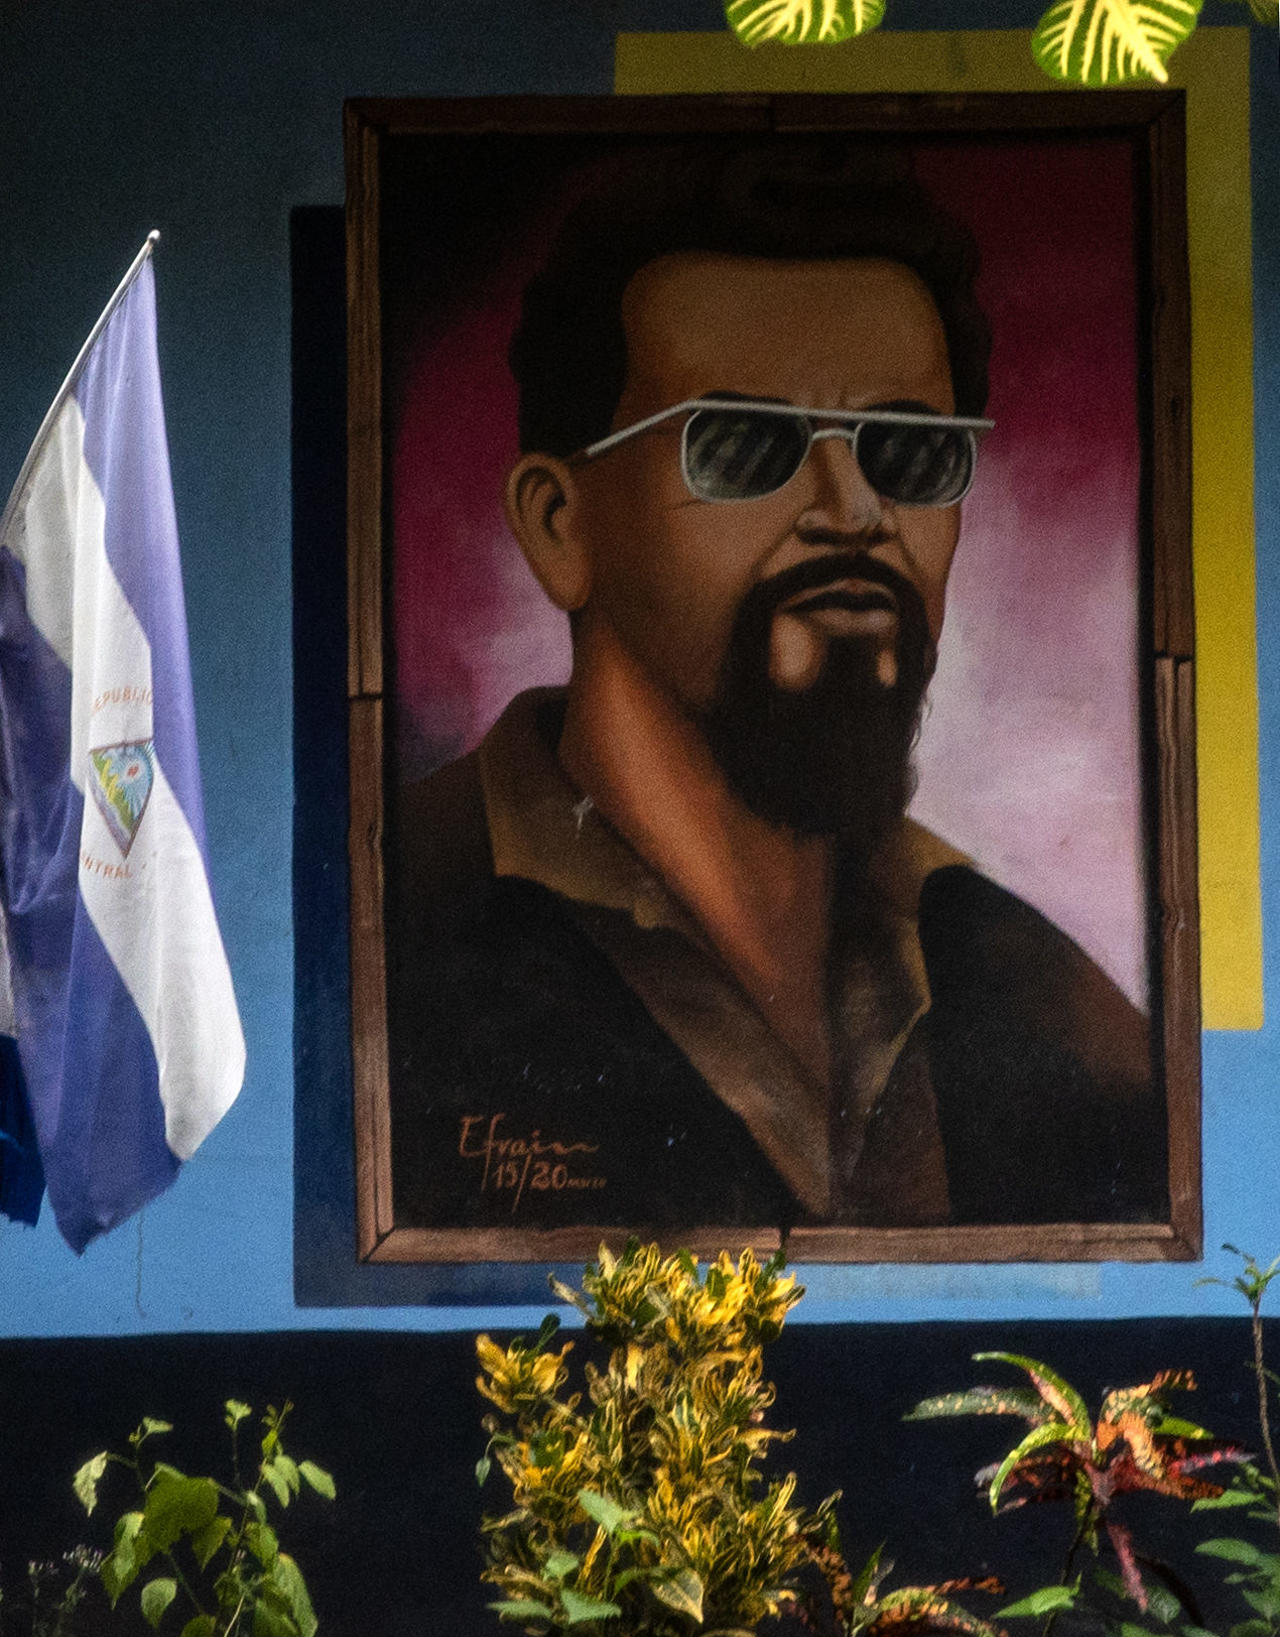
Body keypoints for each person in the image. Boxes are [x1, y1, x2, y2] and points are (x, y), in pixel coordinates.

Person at [387, 144, 1165, 1237]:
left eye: (908, 452)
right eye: (743, 445)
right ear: (562, 527)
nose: (851, 510)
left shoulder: (1042, 1003)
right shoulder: (397, 923)